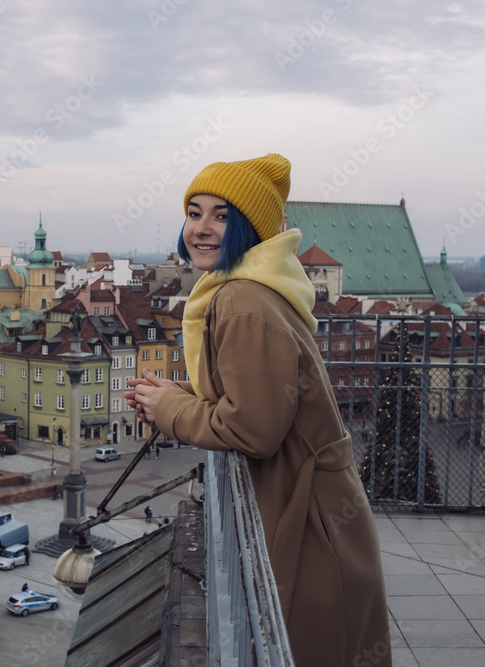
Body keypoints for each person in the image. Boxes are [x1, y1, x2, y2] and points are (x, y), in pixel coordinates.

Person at [125, 153, 390, 667]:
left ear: (250, 229)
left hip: (310, 523)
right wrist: (174, 397)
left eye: (222, 216)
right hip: (314, 507)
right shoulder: (255, 289)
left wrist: (171, 409)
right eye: (194, 212)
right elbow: (255, 398)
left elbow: (253, 429)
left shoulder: (242, 301)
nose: (201, 228)